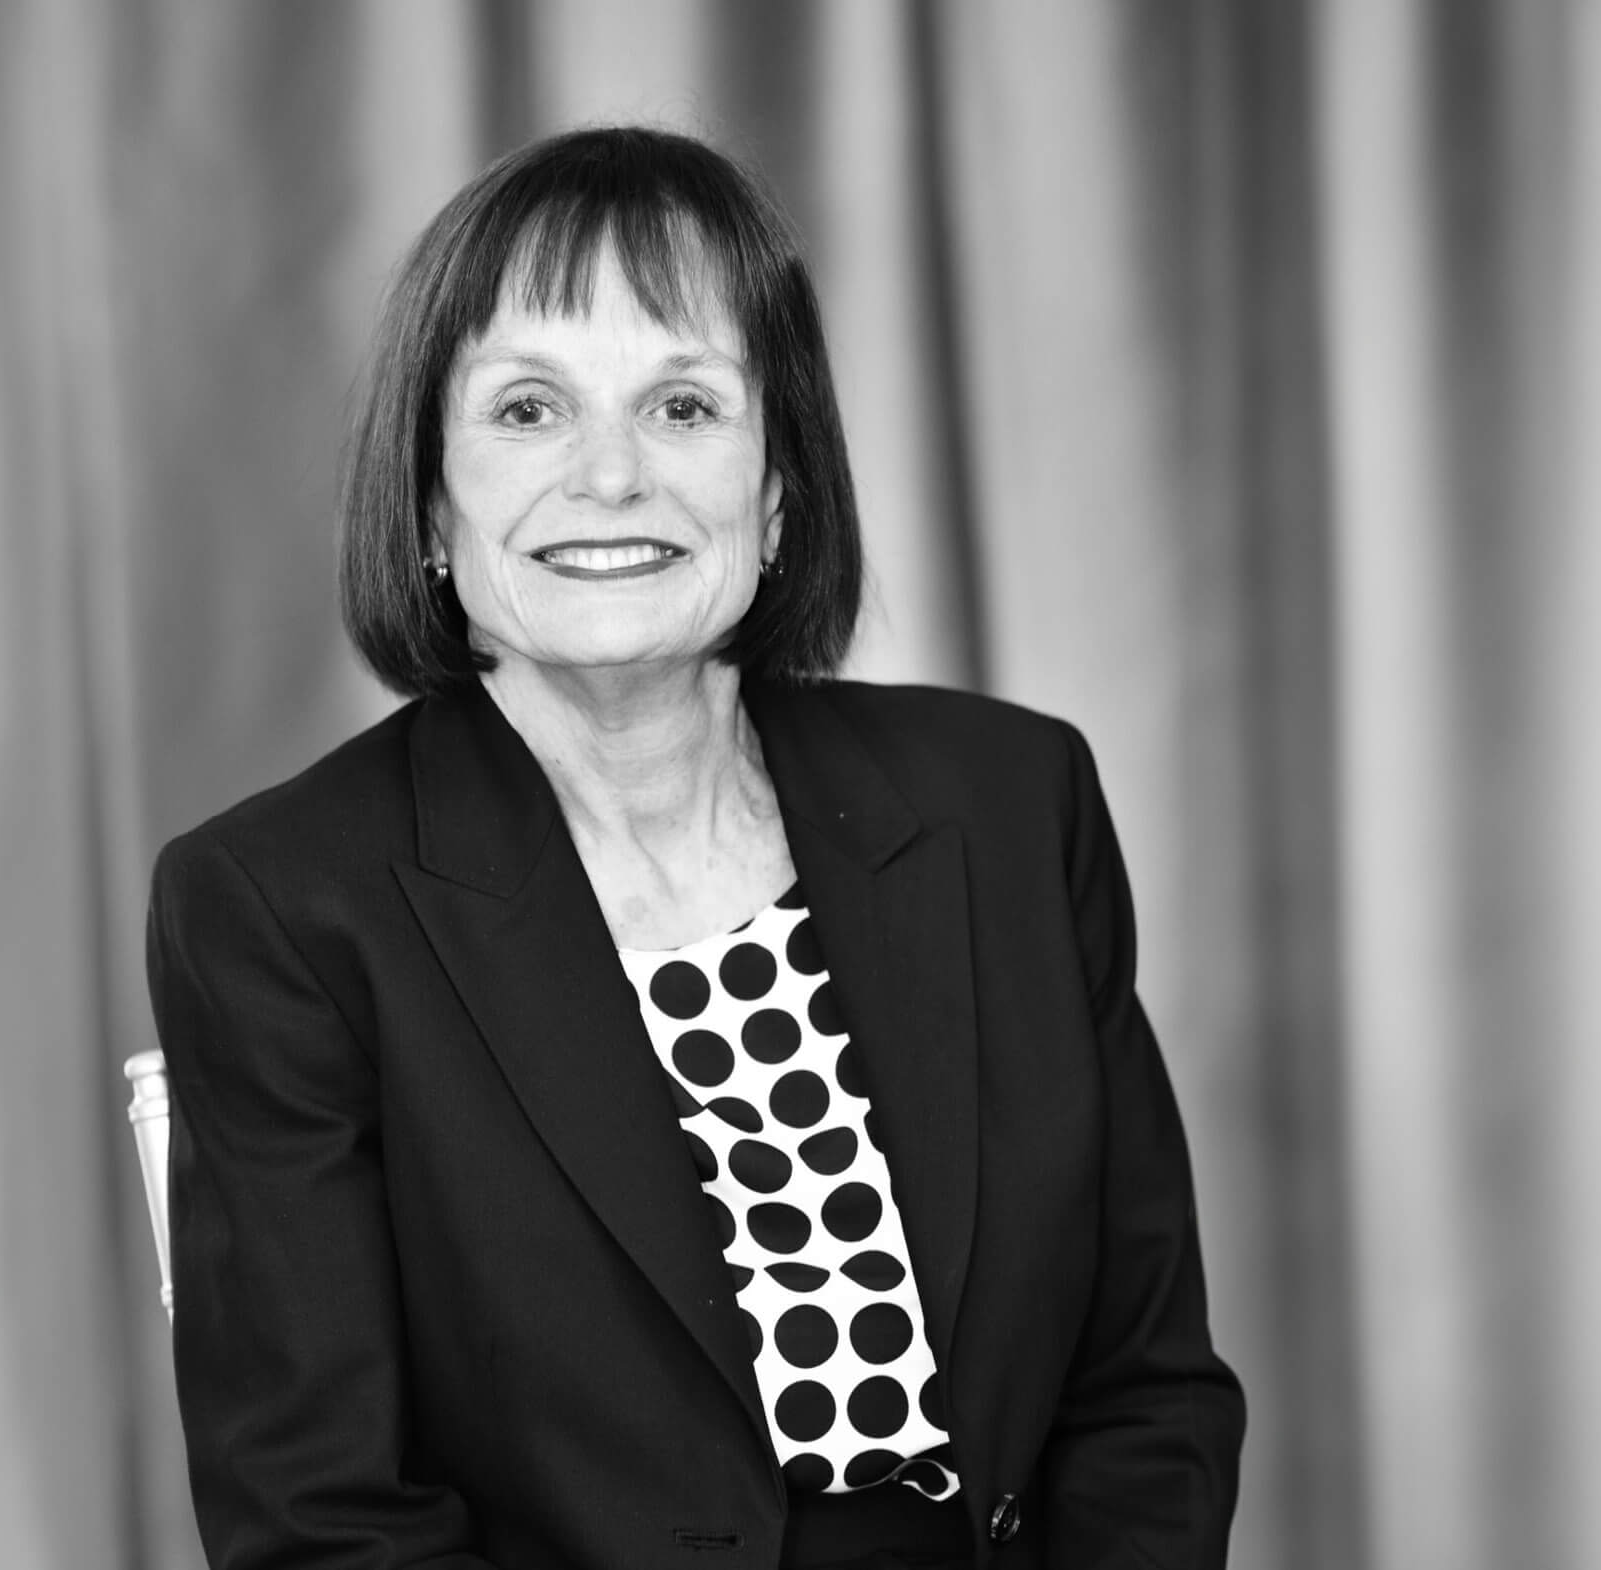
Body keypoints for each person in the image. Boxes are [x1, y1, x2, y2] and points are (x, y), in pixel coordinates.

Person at [145, 126, 1244, 1570]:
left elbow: (1144, 1394)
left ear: (779, 490)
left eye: (683, 405)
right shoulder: (281, 910)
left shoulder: (1009, 803)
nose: (612, 477)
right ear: (428, 503)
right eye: (530, 410)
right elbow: (321, 1524)